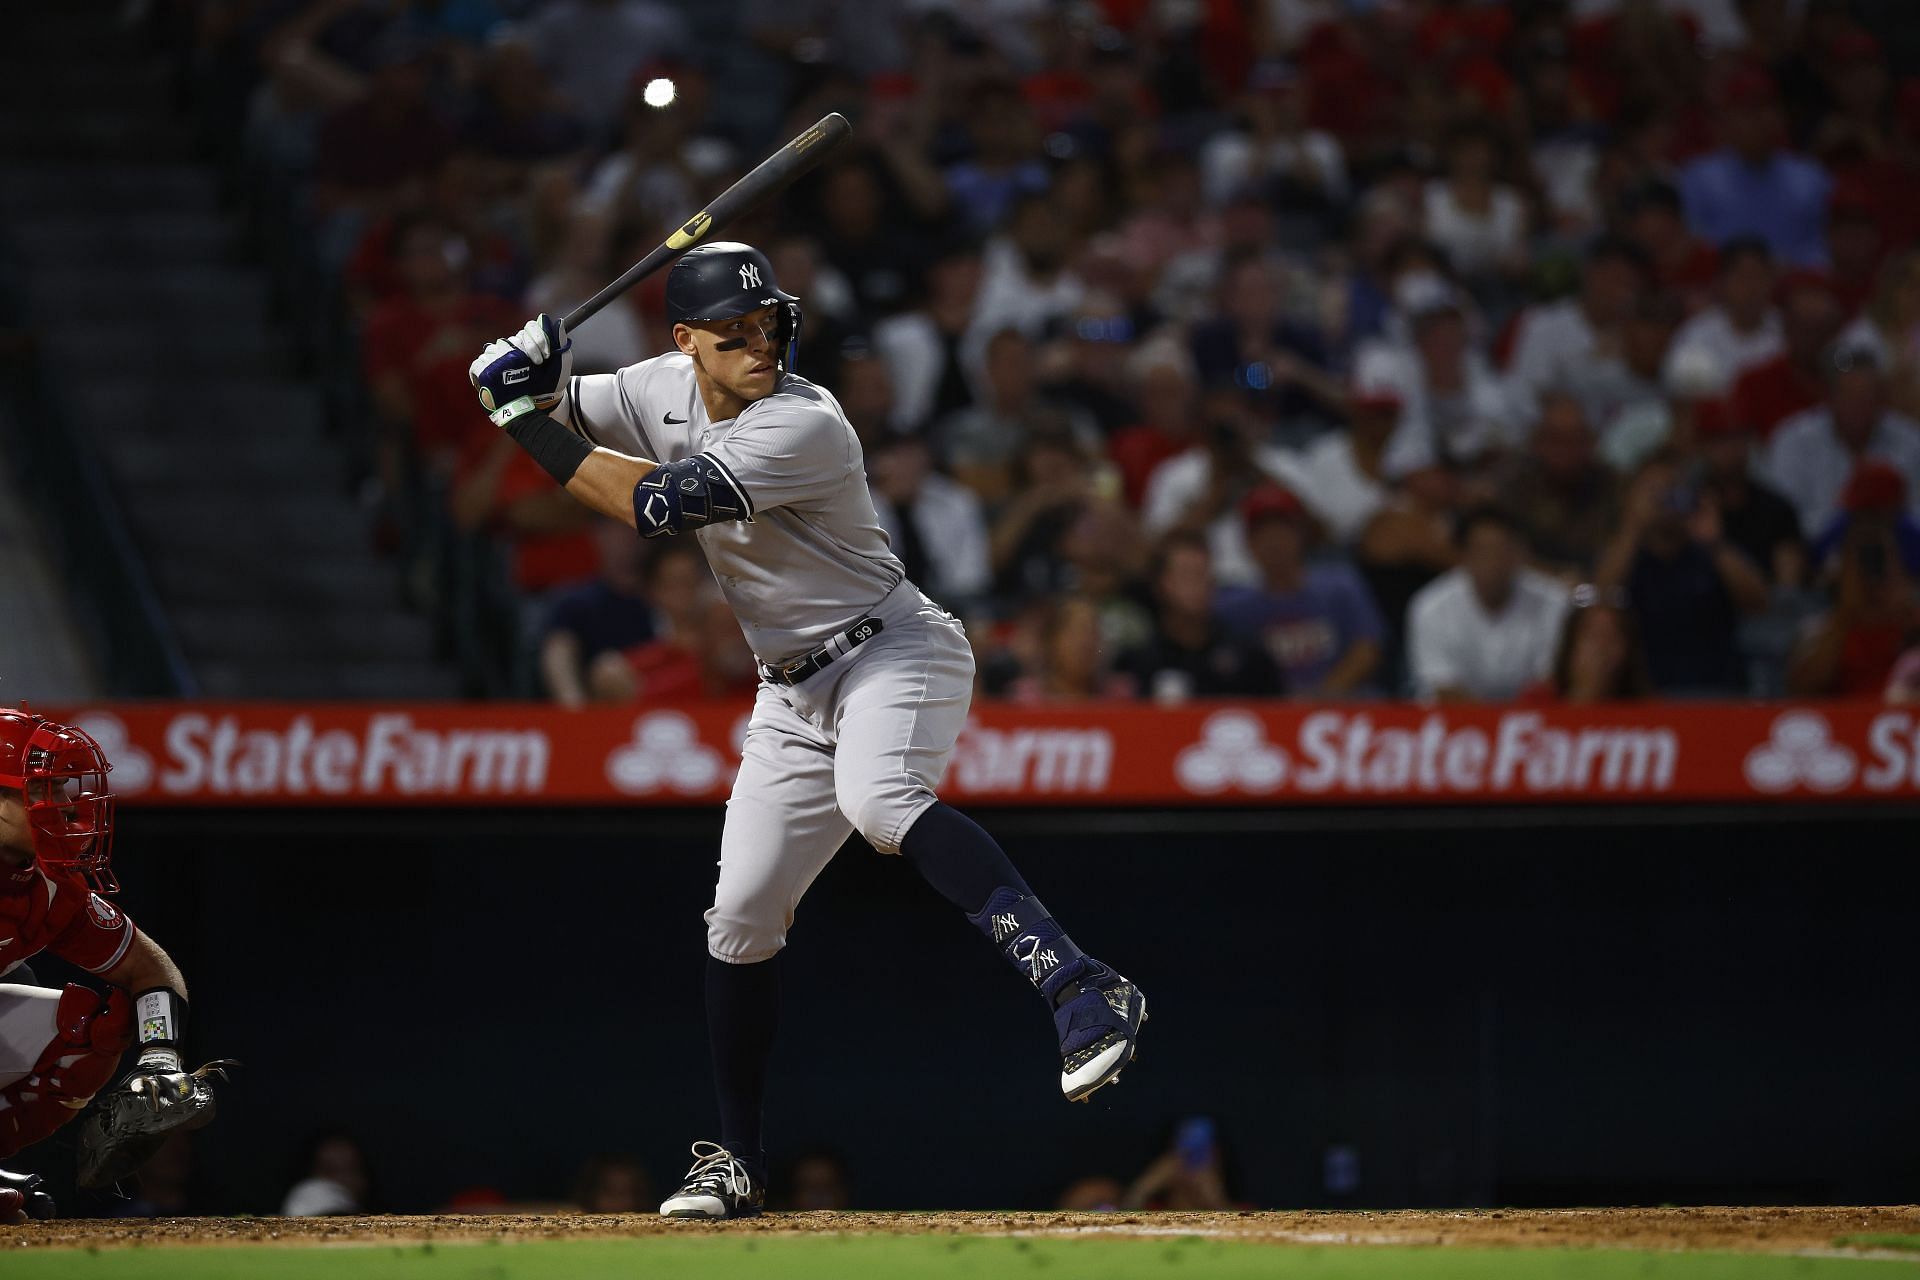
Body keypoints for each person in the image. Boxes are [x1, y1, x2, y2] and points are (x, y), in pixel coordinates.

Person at [467, 243, 1147, 1220]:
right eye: (734, 333)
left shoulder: (805, 420)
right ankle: (734, 1158)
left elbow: (649, 502)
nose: (758, 344)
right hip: (788, 691)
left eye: (768, 324)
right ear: (686, 341)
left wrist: (516, 411)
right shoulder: (658, 385)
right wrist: (528, 373)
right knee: (740, 916)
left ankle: (1083, 985)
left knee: (880, 802)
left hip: (892, 650)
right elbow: (576, 406)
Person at [0, 711, 214, 1222]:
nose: (67, 806)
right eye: (43, 789)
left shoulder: (47, 887)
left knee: (92, 1029)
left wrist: (159, 1057)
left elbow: (150, 971)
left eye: (62, 789)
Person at [1594, 452, 1770, 694]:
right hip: (1643, 698)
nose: (1663, 500)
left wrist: (1714, 543)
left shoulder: (1711, 552)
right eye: (1653, 491)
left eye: (1672, 489)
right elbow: (1599, 599)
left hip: (1716, 694)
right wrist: (1632, 526)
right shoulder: (1625, 555)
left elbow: (1759, 604)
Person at [1215, 486, 1383, 698]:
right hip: (1272, 715)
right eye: (1263, 533)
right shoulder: (1234, 608)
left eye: (1282, 530)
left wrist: (1318, 697)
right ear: (1248, 543)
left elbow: (1367, 650)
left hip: (1343, 707)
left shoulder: (1340, 586)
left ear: (1300, 533)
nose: (1274, 541)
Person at [1406, 507, 1570, 702]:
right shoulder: (1430, 606)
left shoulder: (1553, 602)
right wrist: (1494, 724)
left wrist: (1511, 723)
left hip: (1529, 718)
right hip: (1457, 720)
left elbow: (1549, 681)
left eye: (1503, 550)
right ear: (1464, 555)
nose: (1493, 561)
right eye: (1483, 551)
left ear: (1521, 553)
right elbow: (1442, 685)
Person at [1762, 346, 1920, 540]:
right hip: (1815, 559)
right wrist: (1847, 517)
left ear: (1882, 398)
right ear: (1830, 397)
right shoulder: (1793, 440)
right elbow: (1783, 519)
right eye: (1851, 396)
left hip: (1899, 558)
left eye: (1868, 396)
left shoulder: (1911, 441)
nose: (1860, 406)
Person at [1117, 532, 1284, 703]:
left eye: (1204, 574)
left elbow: (1279, 715)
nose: (1200, 584)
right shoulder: (1138, 661)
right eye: (1187, 575)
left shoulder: (1249, 654)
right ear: (1159, 585)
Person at [1535, 586, 1654, 703]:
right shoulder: (1536, 702)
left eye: (1612, 637)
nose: (1602, 647)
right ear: (1571, 646)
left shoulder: (1651, 713)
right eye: (1592, 635)